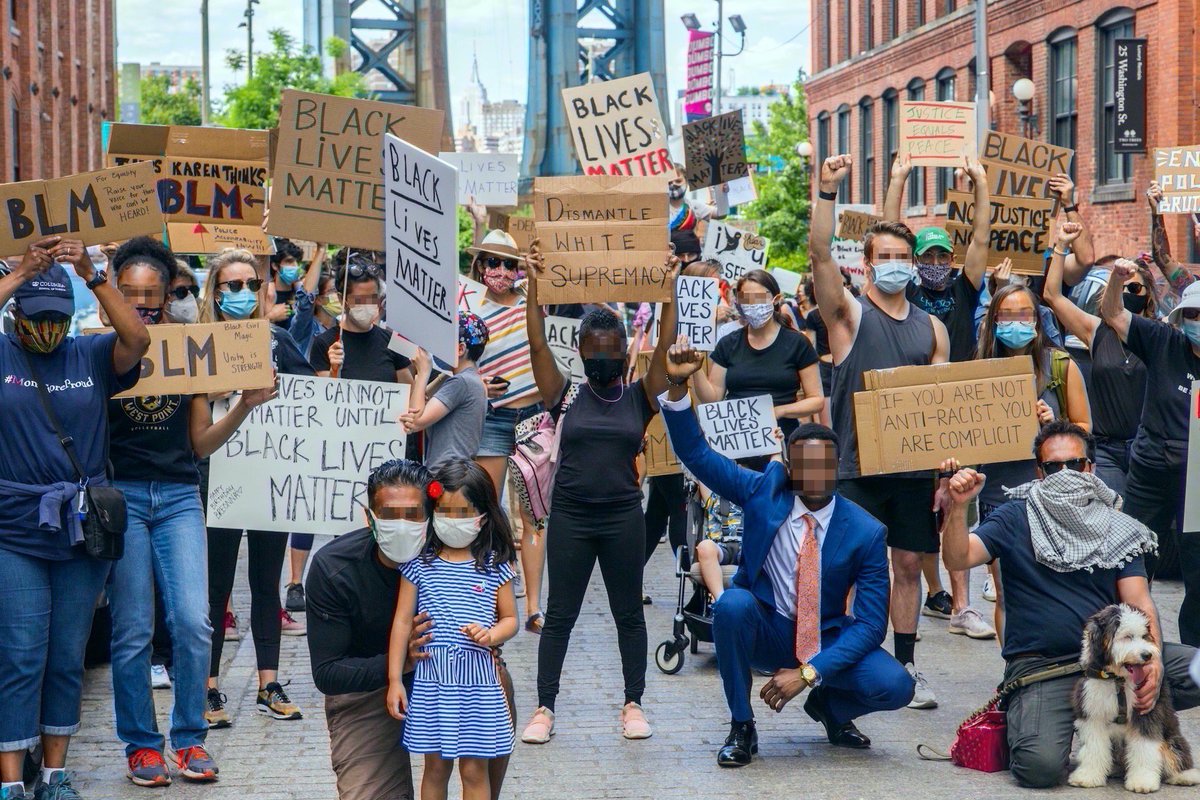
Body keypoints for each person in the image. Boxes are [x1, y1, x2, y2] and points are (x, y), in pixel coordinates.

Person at [660, 336, 914, 765]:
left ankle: (829, 709)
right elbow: (697, 454)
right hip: (767, 625)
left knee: (896, 685)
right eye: (805, 466)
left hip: (826, 636)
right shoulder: (762, 490)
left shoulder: (867, 532)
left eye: (825, 466)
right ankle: (742, 727)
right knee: (732, 606)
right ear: (789, 468)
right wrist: (678, 386)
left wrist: (808, 675)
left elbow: (871, 626)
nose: (816, 475)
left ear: (837, 468)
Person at [103, 237, 278, 787]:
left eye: (151, 296)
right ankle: (141, 745)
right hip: (124, 498)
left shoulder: (187, 347)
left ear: (166, 297)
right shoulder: (98, 351)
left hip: (178, 496)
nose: (140, 306)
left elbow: (200, 444)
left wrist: (245, 407)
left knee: (192, 620)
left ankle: (188, 738)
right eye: (128, 294)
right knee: (132, 628)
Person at [940, 422, 1199, 788]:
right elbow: (957, 557)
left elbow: (1139, 600)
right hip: (1043, 667)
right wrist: (958, 507)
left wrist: (1152, 661)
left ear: (1090, 468)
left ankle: (1130, 735)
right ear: (1038, 472)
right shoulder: (1014, 517)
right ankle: (1058, 728)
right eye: (1053, 467)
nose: (1065, 474)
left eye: (1074, 465)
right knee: (1039, 768)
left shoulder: (1116, 524)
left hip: (1114, 659)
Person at [0, 236, 149, 800]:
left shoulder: (88, 354)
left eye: (57, 319)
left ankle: (56, 774)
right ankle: (11, 780)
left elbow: (137, 338)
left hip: (82, 531)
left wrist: (91, 273)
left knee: (66, 654)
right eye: (37, 318)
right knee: (19, 653)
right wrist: (19, 275)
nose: (48, 329)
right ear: (16, 315)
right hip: (14, 528)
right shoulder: (4, 353)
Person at [519, 245, 678, 744]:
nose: (604, 358)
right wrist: (535, 291)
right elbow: (539, 348)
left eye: (613, 349)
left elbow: (669, 350)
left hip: (621, 519)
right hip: (571, 517)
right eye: (595, 351)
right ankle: (544, 707)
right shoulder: (564, 395)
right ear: (583, 353)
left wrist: (668, 290)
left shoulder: (640, 396)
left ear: (624, 348)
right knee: (560, 615)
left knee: (628, 613)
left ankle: (633, 703)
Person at [810, 154, 948, 708]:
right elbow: (820, 253)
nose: (893, 264)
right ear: (866, 267)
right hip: (857, 469)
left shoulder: (932, 327)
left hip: (912, 472)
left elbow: (947, 408)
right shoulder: (847, 316)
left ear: (912, 265)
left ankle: (908, 666)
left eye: (901, 257)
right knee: (847, 570)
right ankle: (835, 662)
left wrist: (949, 463)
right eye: (883, 257)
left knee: (909, 564)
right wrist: (826, 191)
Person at [306, 459, 513, 800]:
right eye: (389, 514)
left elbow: (501, 618)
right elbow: (327, 673)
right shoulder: (334, 568)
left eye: (414, 514)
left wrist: (488, 637)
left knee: (498, 684)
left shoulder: (472, 560)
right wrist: (399, 666)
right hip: (370, 691)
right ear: (369, 517)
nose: (401, 525)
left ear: (432, 514)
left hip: (455, 679)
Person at [198, 247, 314, 727]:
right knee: (214, 586)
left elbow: (313, 397)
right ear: (216, 291)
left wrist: (328, 362)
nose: (243, 293)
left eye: (251, 284)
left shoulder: (279, 340)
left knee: (265, 582)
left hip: (269, 478)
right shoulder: (197, 344)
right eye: (233, 285)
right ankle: (207, 687)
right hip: (218, 479)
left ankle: (269, 681)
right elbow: (190, 411)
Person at [387, 460, 518, 800]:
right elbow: (402, 620)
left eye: (463, 512)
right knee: (435, 768)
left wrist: (492, 635)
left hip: (478, 680)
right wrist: (395, 680)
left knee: (475, 769)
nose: (453, 520)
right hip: (433, 678)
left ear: (483, 516)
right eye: (445, 512)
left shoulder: (493, 564)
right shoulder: (419, 564)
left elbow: (510, 619)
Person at [1099, 259, 1200, 647]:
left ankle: (1193, 658)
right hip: (1152, 472)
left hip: (1198, 478)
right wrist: (1116, 281)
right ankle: (1125, 641)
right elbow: (1111, 313)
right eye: (1190, 314)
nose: (1196, 320)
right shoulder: (1162, 340)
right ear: (1180, 318)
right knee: (1132, 558)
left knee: (1198, 567)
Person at [466, 230, 547, 632]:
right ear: (480, 265)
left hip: (534, 414)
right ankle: (492, 599)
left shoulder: (536, 299)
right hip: (491, 416)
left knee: (535, 513)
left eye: (509, 264)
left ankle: (533, 607)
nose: (500, 271)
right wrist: (476, 385)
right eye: (492, 262)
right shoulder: (465, 304)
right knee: (488, 509)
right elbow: (453, 361)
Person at [1044, 221, 1153, 496]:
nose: (1129, 293)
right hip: (1106, 451)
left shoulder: (1161, 336)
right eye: (1122, 286)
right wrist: (1060, 246)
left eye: (1136, 289)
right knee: (1112, 517)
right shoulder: (1096, 331)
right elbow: (1052, 295)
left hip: (1148, 447)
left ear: (1148, 295)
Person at [691, 269, 824, 439]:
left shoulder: (797, 343)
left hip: (781, 438)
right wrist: (696, 369)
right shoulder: (729, 343)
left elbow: (816, 400)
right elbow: (713, 398)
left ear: (775, 299)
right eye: (746, 300)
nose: (752, 305)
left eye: (758, 298)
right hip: (737, 441)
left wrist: (779, 411)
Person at [883, 155, 991, 363]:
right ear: (915, 260)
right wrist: (897, 181)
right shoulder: (907, 293)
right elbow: (889, 238)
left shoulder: (964, 290)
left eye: (942, 256)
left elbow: (981, 238)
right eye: (927, 255)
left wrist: (981, 183)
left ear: (953, 259)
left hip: (962, 386)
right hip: (920, 387)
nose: (935, 263)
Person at [400, 313, 489, 471]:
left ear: (460, 349)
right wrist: (442, 375)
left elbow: (414, 421)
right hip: (456, 474)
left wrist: (423, 372)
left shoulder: (461, 382)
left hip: (446, 477)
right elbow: (424, 398)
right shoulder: (470, 379)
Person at [668, 163, 726, 232]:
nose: (673, 184)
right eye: (669, 182)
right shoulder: (659, 208)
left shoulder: (694, 206)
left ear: (687, 182)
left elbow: (721, 213)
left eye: (678, 181)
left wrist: (720, 190)